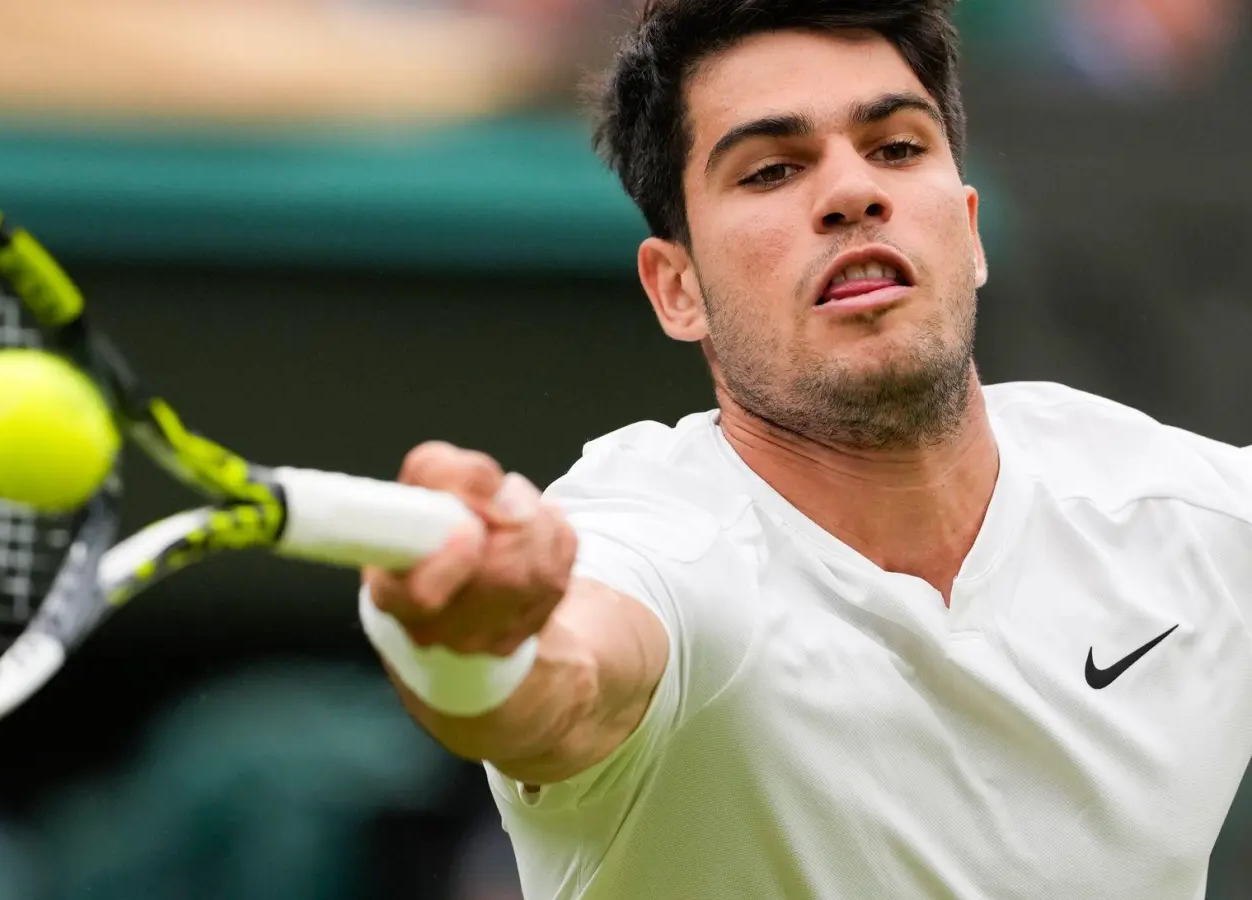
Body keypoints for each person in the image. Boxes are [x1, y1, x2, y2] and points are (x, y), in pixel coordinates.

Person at [353, 1, 1252, 897]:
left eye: (897, 148)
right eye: (772, 169)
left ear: (970, 230)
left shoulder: (1192, 519)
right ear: (678, 289)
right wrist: (468, 651)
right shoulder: (657, 542)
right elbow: (566, 681)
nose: (855, 193)